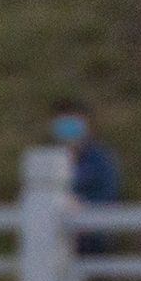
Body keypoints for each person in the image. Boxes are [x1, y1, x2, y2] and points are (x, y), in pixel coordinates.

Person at [49, 98, 120, 255]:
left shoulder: (100, 160)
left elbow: (108, 198)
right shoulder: (45, 159)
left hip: (93, 244)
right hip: (53, 247)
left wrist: (82, 206)